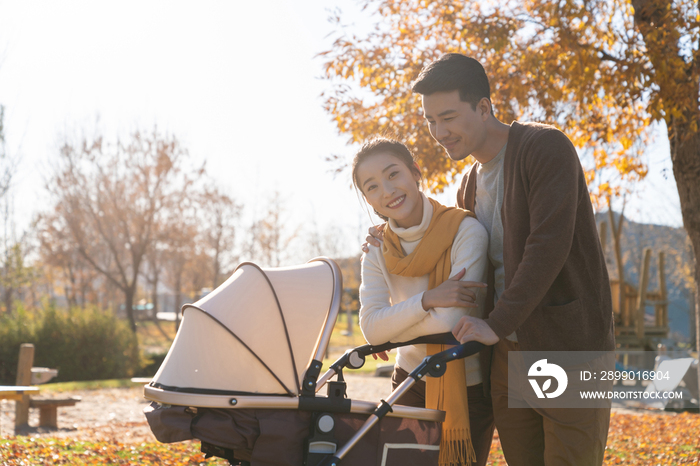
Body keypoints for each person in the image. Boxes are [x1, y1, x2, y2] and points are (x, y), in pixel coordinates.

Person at [365, 54, 615, 466]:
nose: (438, 132)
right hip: (507, 360)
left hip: (569, 349)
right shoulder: (469, 183)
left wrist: (495, 323)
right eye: (430, 121)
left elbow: (547, 246)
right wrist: (386, 235)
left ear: (484, 107)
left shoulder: (544, 147)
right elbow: (446, 239)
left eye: (448, 117)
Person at [353, 137, 495, 466]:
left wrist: (390, 328)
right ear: (368, 200)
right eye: (372, 187)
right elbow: (371, 330)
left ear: (415, 172)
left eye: (393, 174)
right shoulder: (376, 249)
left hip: (466, 385)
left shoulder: (465, 231)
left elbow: (448, 324)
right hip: (407, 381)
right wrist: (427, 299)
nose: (387, 191)